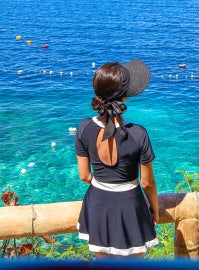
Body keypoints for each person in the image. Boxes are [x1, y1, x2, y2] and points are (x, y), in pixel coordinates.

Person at [75, 59, 159, 258]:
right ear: (125, 95)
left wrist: (105, 185)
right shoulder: (138, 133)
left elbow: (84, 176)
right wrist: (155, 209)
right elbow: (147, 183)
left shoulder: (84, 128)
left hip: (97, 205)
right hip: (131, 206)